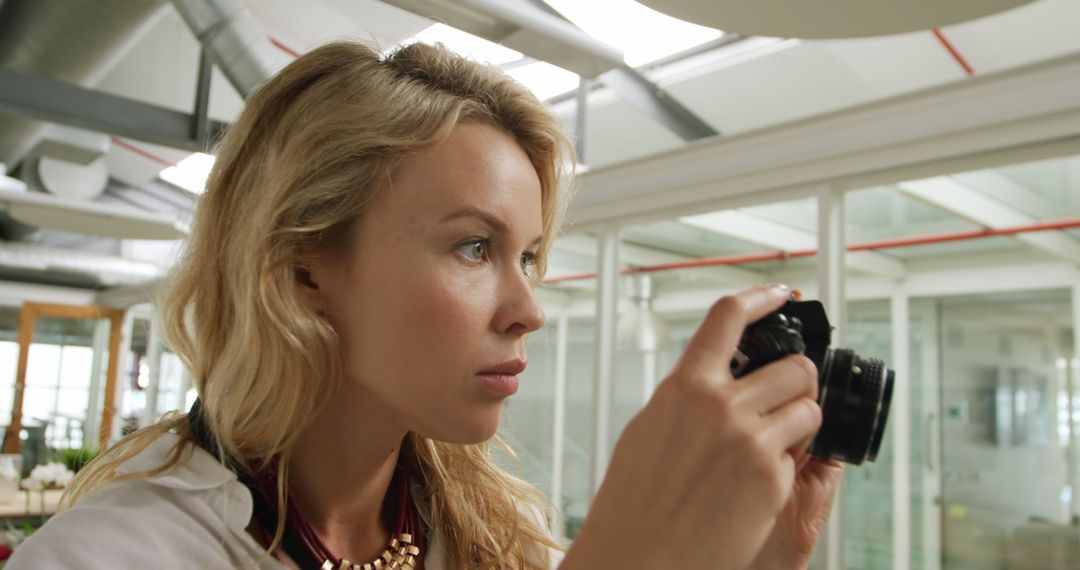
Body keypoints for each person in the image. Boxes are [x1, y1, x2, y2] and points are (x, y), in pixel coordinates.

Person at [9, 41, 842, 569]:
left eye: (531, 258)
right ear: (305, 270)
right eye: (474, 247)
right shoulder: (111, 556)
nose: (529, 309)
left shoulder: (502, 531)